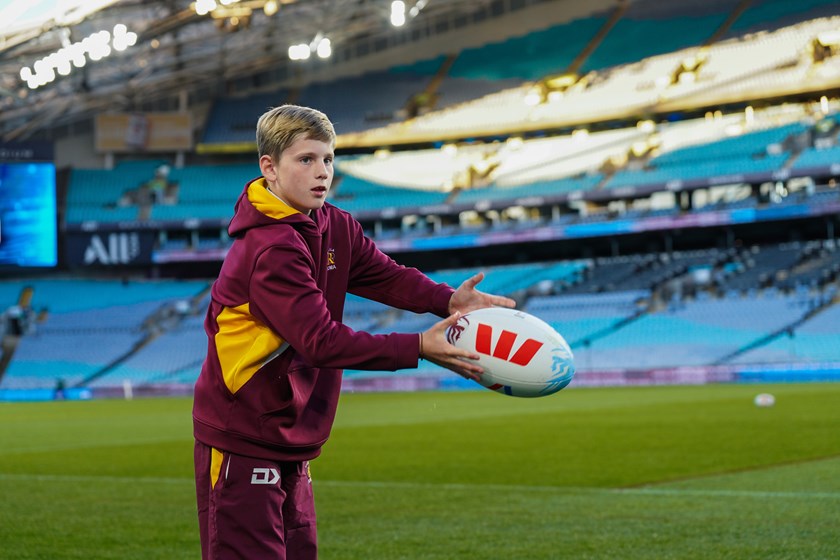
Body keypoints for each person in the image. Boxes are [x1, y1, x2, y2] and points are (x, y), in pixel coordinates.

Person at [192, 104, 514, 560]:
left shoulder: (334, 224)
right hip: (242, 433)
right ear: (270, 168)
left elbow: (386, 276)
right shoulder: (270, 249)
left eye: (328, 159)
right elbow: (320, 341)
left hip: (291, 436)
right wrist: (419, 346)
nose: (322, 172)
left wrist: (447, 301)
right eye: (306, 160)